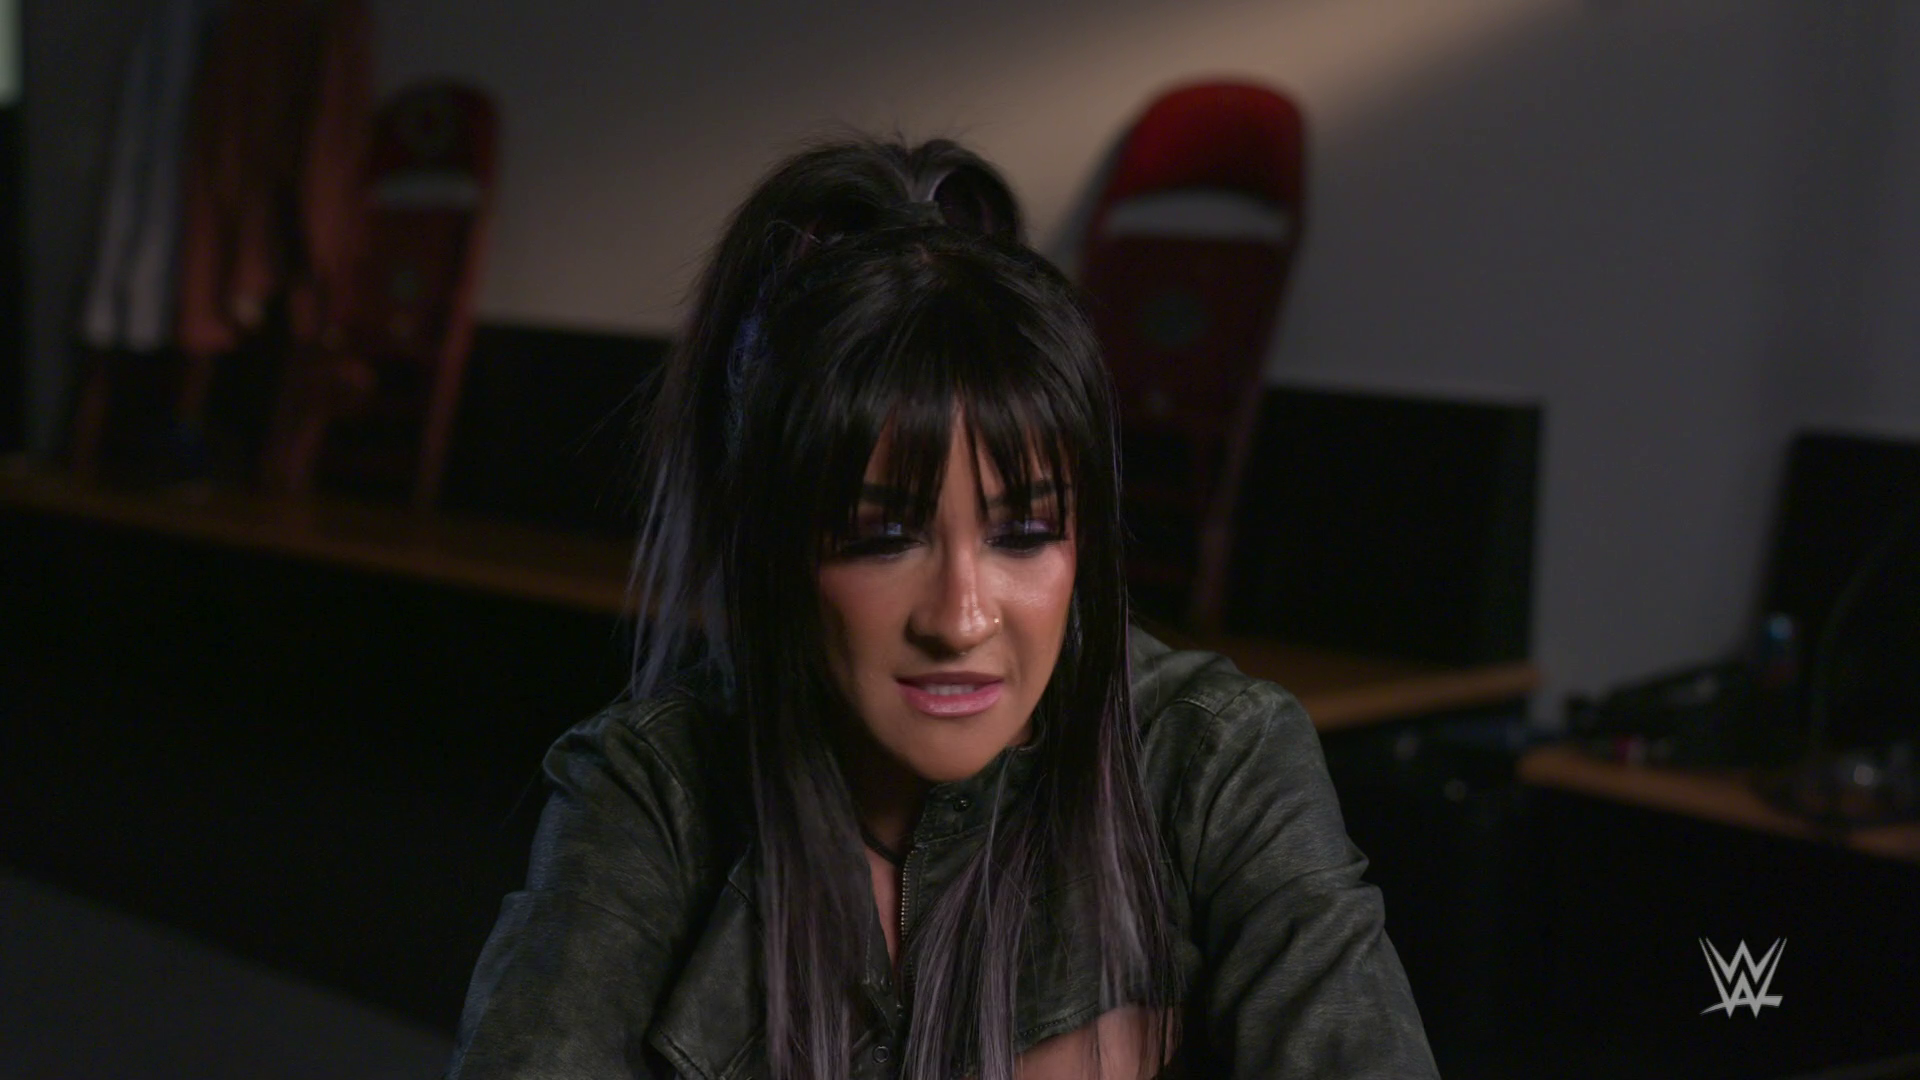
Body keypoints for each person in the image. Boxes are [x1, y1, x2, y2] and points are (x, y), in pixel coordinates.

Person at [447, 138, 1438, 1080]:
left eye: (1024, 533)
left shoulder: (1214, 757)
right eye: (884, 538)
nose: (961, 619)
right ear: (776, 547)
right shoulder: (651, 789)